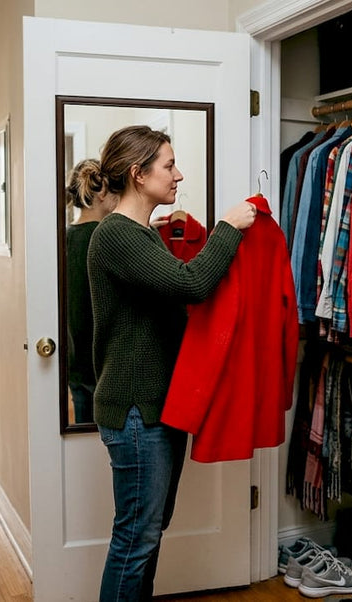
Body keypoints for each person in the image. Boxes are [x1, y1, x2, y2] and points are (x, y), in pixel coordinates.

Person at [87, 125, 257, 601]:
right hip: (136, 411)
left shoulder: (142, 234)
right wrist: (227, 228)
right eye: (169, 165)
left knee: (148, 531)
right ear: (139, 175)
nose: (178, 175)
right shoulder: (117, 236)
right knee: (136, 538)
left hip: (157, 408)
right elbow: (191, 285)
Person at [64, 158, 118, 424]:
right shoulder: (105, 238)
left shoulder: (64, 237)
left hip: (75, 364)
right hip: (103, 368)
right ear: (102, 192)